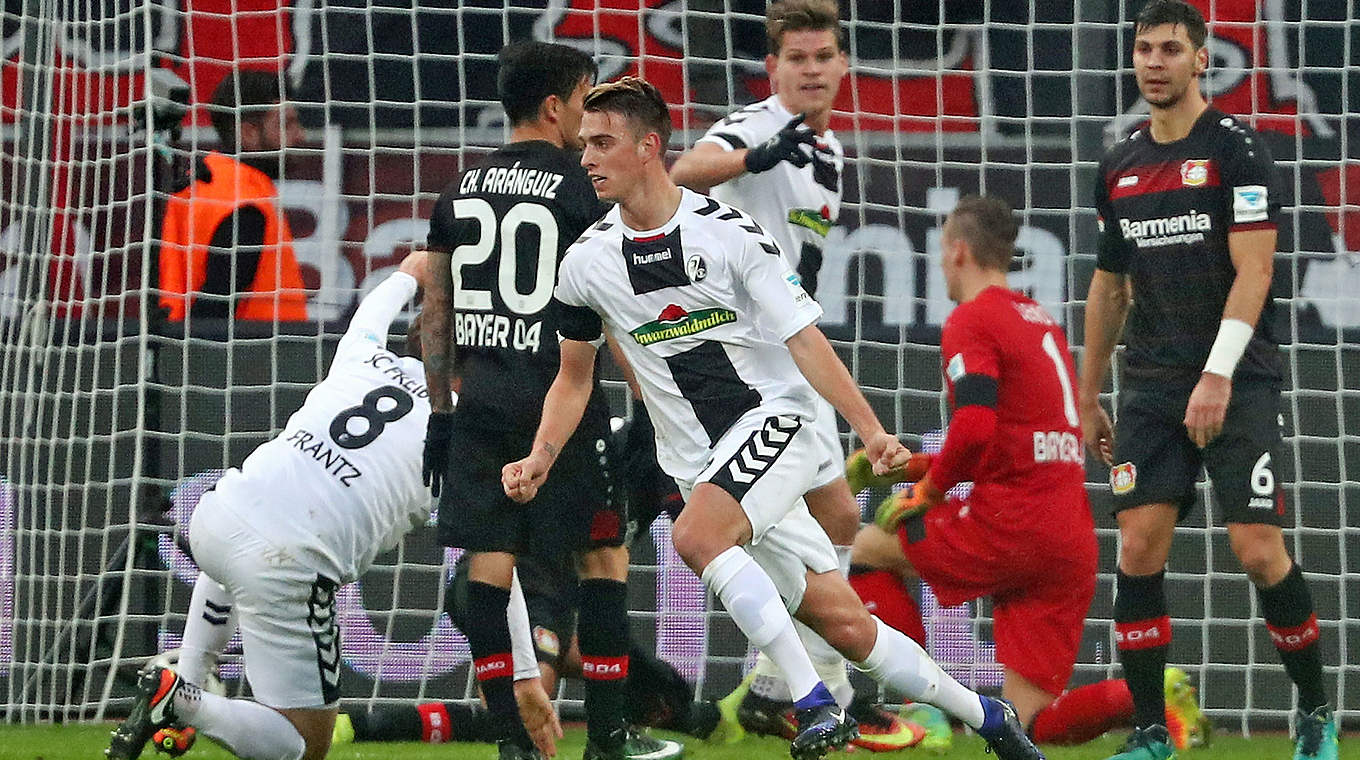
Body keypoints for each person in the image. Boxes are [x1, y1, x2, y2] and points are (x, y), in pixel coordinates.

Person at [502, 75, 1046, 760]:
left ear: (648, 148)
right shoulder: (584, 264)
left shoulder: (729, 234)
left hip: (776, 420)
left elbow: (805, 339)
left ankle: (813, 702)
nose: (586, 157)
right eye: (584, 143)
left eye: (602, 143)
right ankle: (991, 718)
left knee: (698, 537)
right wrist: (542, 455)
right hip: (702, 461)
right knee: (845, 625)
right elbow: (573, 377)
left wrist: (870, 429)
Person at [849, 195, 1205, 751]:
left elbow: (973, 426)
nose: (941, 265)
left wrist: (926, 490)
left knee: (868, 547)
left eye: (943, 252)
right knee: (1032, 721)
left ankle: (924, 706)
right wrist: (917, 464)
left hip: (1008, 526)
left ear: (959, 250)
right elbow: (1012, 441)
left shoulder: (972, 318)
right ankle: (1150, 697)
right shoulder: (1040, 320)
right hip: (1066, 539)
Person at [1080, 3, 1336, 760]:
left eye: (1170, 50)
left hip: (1238, 378)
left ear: (1200, 62)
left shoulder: (1237, 150)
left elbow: (1255, 270)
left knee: (1257, 548)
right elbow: (1109, 287)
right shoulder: (1119, 163)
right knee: (1137, 551)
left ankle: (1315, 712)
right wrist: (1088, 389)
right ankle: (1152, 733)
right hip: (1152, 386)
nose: (1154, 62)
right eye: (1143, 49)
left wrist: (1217, 375)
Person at [670, 4, 924, 747]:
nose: (812, 69)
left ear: (843, 66)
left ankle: (788, 686)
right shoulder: (755, 126)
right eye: (798, 58)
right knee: (797, 525)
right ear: (774, 67)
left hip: (789, 352)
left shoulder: (830, 153)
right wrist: (754, 156)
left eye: (823, 57)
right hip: (754, 361)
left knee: (838, 521)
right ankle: (815, 687)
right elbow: (685, 170)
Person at [419, 41, 680, 760]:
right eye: (588, 99)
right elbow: (614, 306)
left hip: (479, 405)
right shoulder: (584, 186)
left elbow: (433, 312)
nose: (591, 119)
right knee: (602, 558)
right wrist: (656, 403)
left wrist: (442, 413)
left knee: (488, 568)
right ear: (554, 106)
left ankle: (511, 741)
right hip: (560, 401)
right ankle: (607, 739)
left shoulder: (459, 191)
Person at [106, 252, 440, 760]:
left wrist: (406, 276)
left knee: (247, 541)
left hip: (219, 515)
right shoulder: (469, 431)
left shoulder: (362, 356)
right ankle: (183, 702)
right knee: (304, 745)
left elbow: (370, 311)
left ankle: (186, 675)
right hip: (288, 563)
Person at [159, 68, 309, 322]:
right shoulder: (246, 202)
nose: (300, 135)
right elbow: (214, 307)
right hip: (250, 357)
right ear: (247, 132)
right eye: (287, 124)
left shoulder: (206, 181)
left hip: (180, 349)